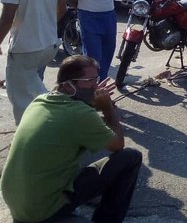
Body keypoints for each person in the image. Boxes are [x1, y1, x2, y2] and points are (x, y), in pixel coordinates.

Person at [1, 55, 142, 223]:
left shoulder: (40, 100)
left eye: (96, 79)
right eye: (89, 81)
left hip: (16, 201)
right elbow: (118, 145)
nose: (95, 86)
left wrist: (90, 104)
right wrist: (108, 108)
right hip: (41, 211)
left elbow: (73, 115)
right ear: (68, 86)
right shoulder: (80, 114)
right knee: (130, 157)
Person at [0, 0, 66, 124]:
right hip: (49, 46)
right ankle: (53, 118)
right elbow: (62, 8)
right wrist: (45, 24)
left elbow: (7, 18)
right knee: (34, 89)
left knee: (20, 96)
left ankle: (31, 135)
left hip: (25, 50)